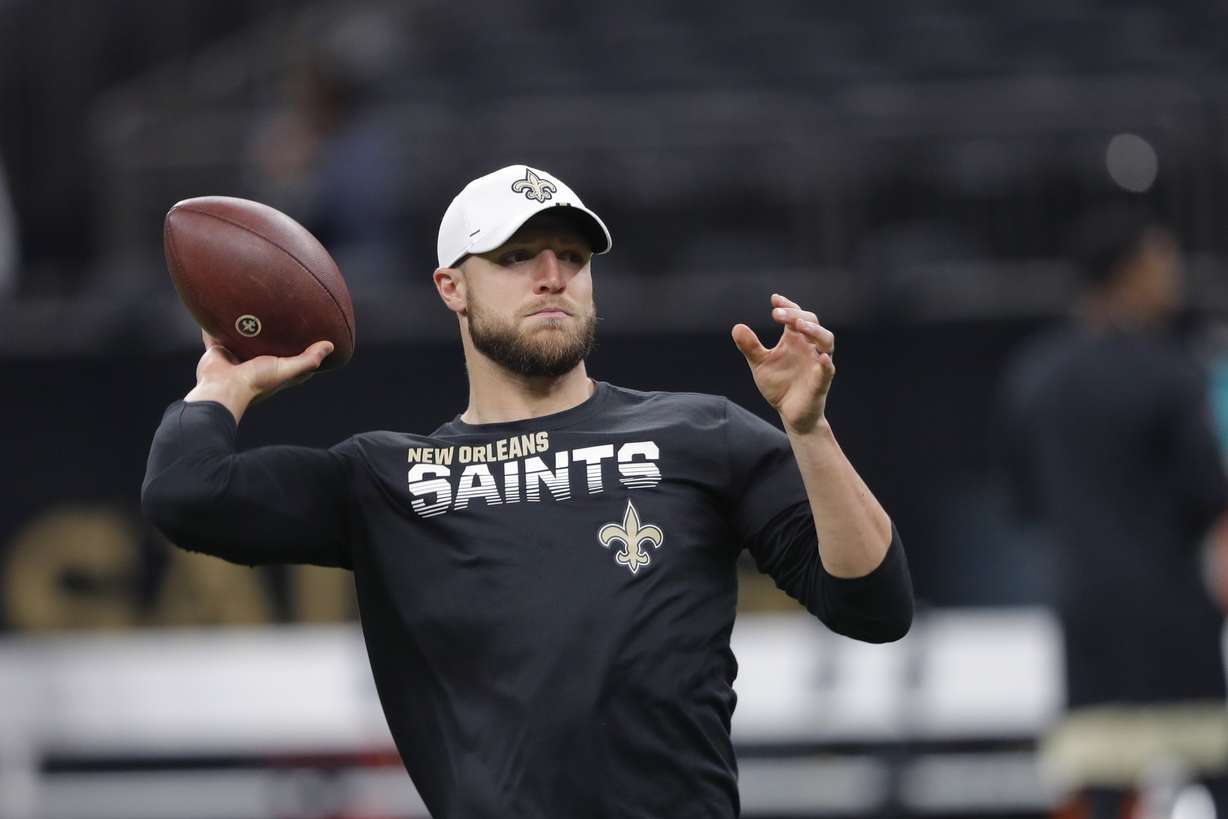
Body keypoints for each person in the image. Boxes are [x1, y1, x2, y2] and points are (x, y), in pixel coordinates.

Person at [142, 165, 913, 818]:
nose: (553, 275)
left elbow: (874, 604)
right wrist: (224, 381)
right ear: (452, 287)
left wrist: (809, 429)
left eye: (572, 257)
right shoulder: (388, 478)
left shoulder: (697, 433)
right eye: (516, 256)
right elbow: (186, 492)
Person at [997, 205, 1228, 819]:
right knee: (1215, 775)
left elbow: (1024, 501)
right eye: (1163, 262)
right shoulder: (1173, 372)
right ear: (1131, 272)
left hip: (1087, 617)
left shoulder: (1033, 376)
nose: (1173, 276)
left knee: (1100, 792)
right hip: (1177, 620)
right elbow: (1208, 497)